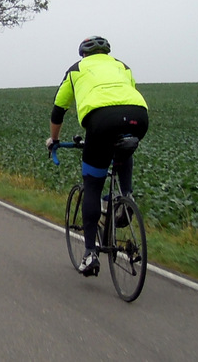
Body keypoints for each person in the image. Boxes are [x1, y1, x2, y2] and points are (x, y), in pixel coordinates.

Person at [45, 36, 149, 277]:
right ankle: (126, 196)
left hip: (102, 122)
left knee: (92, 185)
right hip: (139, 117)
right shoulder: (122, 66)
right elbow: (128, 93)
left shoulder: (76, 69)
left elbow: (58, 110)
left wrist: (54, 140)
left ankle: (90, 254)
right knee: (123, 147)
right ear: (106, 53)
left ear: (83, 54)